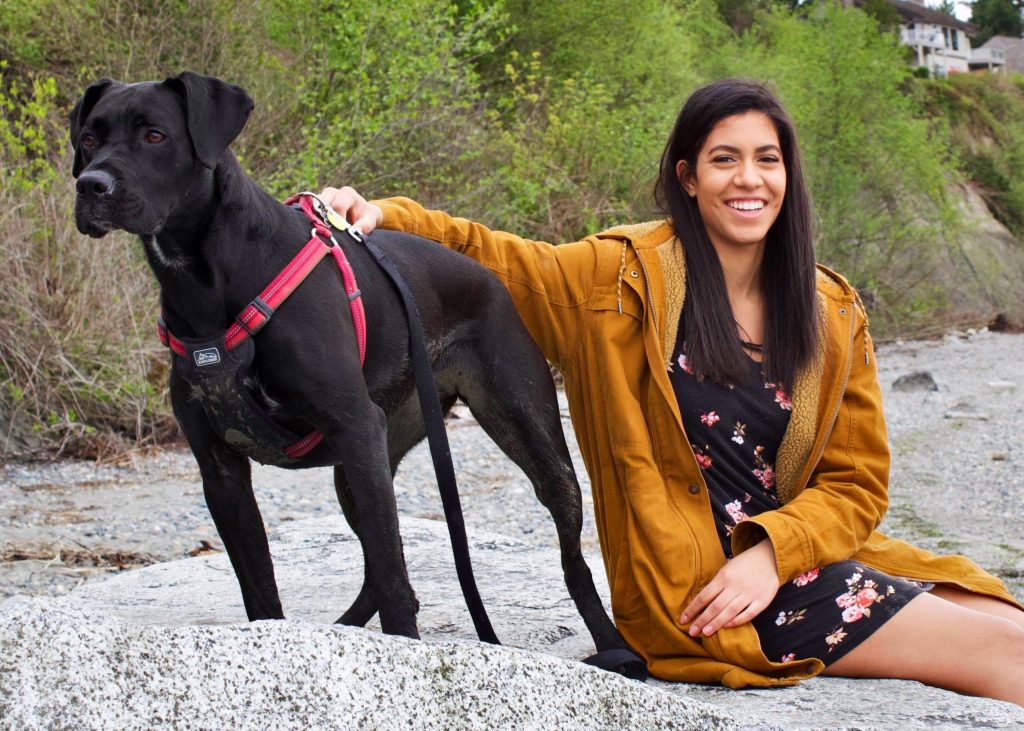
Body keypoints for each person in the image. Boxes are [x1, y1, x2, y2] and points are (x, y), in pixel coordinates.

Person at [320, 78, 1024, 704]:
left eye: (766, 159)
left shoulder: (830, 308)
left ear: (788, 174)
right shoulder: (615, 279)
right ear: (688, 176)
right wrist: (387, 214)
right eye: (725, 159)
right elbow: (490, 256)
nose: (748, 179)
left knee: (1011, 619)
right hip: (701, 594)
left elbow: (857, 484)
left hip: (789, 562)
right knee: (1009, 653)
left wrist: (773, 552)